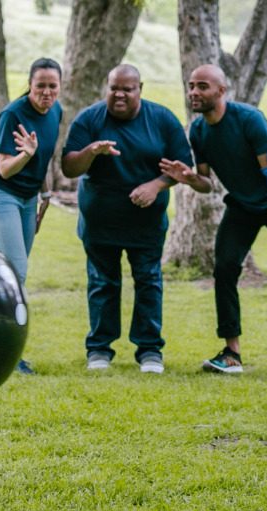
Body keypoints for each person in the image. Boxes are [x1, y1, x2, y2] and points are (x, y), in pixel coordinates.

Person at [159, 64, 267, 378]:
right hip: (242, 206)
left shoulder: (249, 119)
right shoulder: (198, 130)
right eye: (192, 86)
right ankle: (231, 353)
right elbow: (207, 184)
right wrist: (191, 178)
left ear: (221, 91)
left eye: (202, 86)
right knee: (224, 268)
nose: (194, 92)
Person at [61, 64, 192, 374]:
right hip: (100, 221)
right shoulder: (90, 119)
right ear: (107, 87)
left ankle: (149, 351)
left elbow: (183, 167)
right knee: (102, 282)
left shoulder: (161, 120)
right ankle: (99, 350)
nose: (119, 94)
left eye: (127, 88)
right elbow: (68, 167)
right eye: (114, 88)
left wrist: (157, 185)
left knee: (148, 281)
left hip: (145, 223)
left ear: (140, 89)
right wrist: (91, 151)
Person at [0, 57, 63, 375]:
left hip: (29, 198)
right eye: (40, 86)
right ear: (30, 85)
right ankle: (3, 351)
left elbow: (44, 157)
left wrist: (45, 193)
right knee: (14, 272)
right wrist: (25, 154)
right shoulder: (13, 114)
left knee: (13, 273)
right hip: (0, 194)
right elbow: (5, 169)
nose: (46, 92)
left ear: (60, 86)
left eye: (52, 86)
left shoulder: (56, 112)